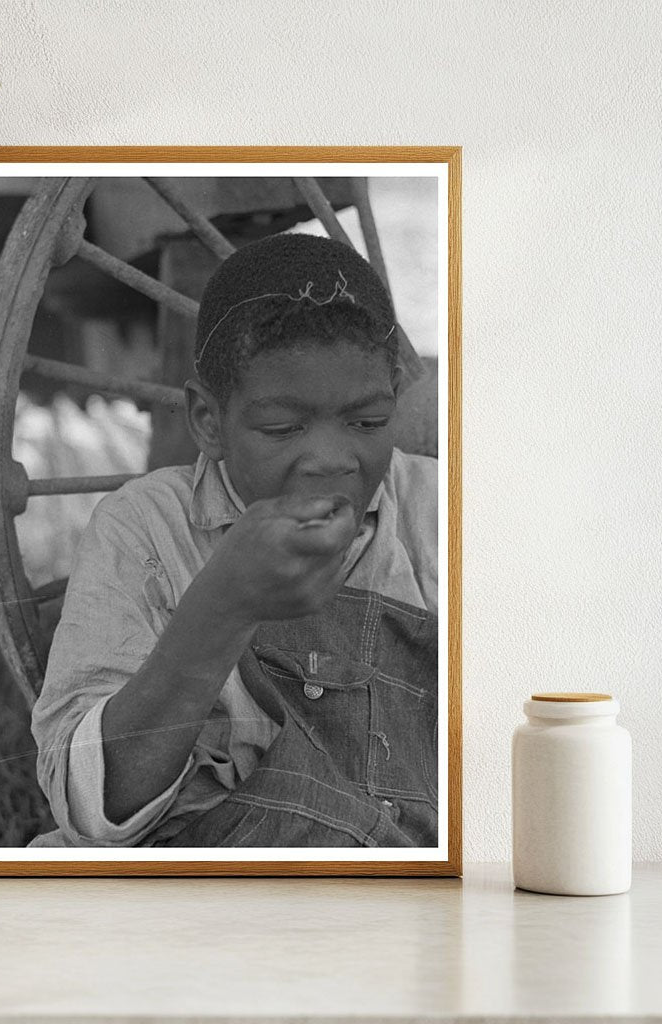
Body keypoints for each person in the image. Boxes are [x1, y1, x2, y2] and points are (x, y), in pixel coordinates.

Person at [29, 231, 438, 848]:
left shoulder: (441, 515)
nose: (330, 460)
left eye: (368, 423)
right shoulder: (146, 528)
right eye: (281, 428)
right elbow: (89, 811)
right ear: (207, 422)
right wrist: (221, 607)